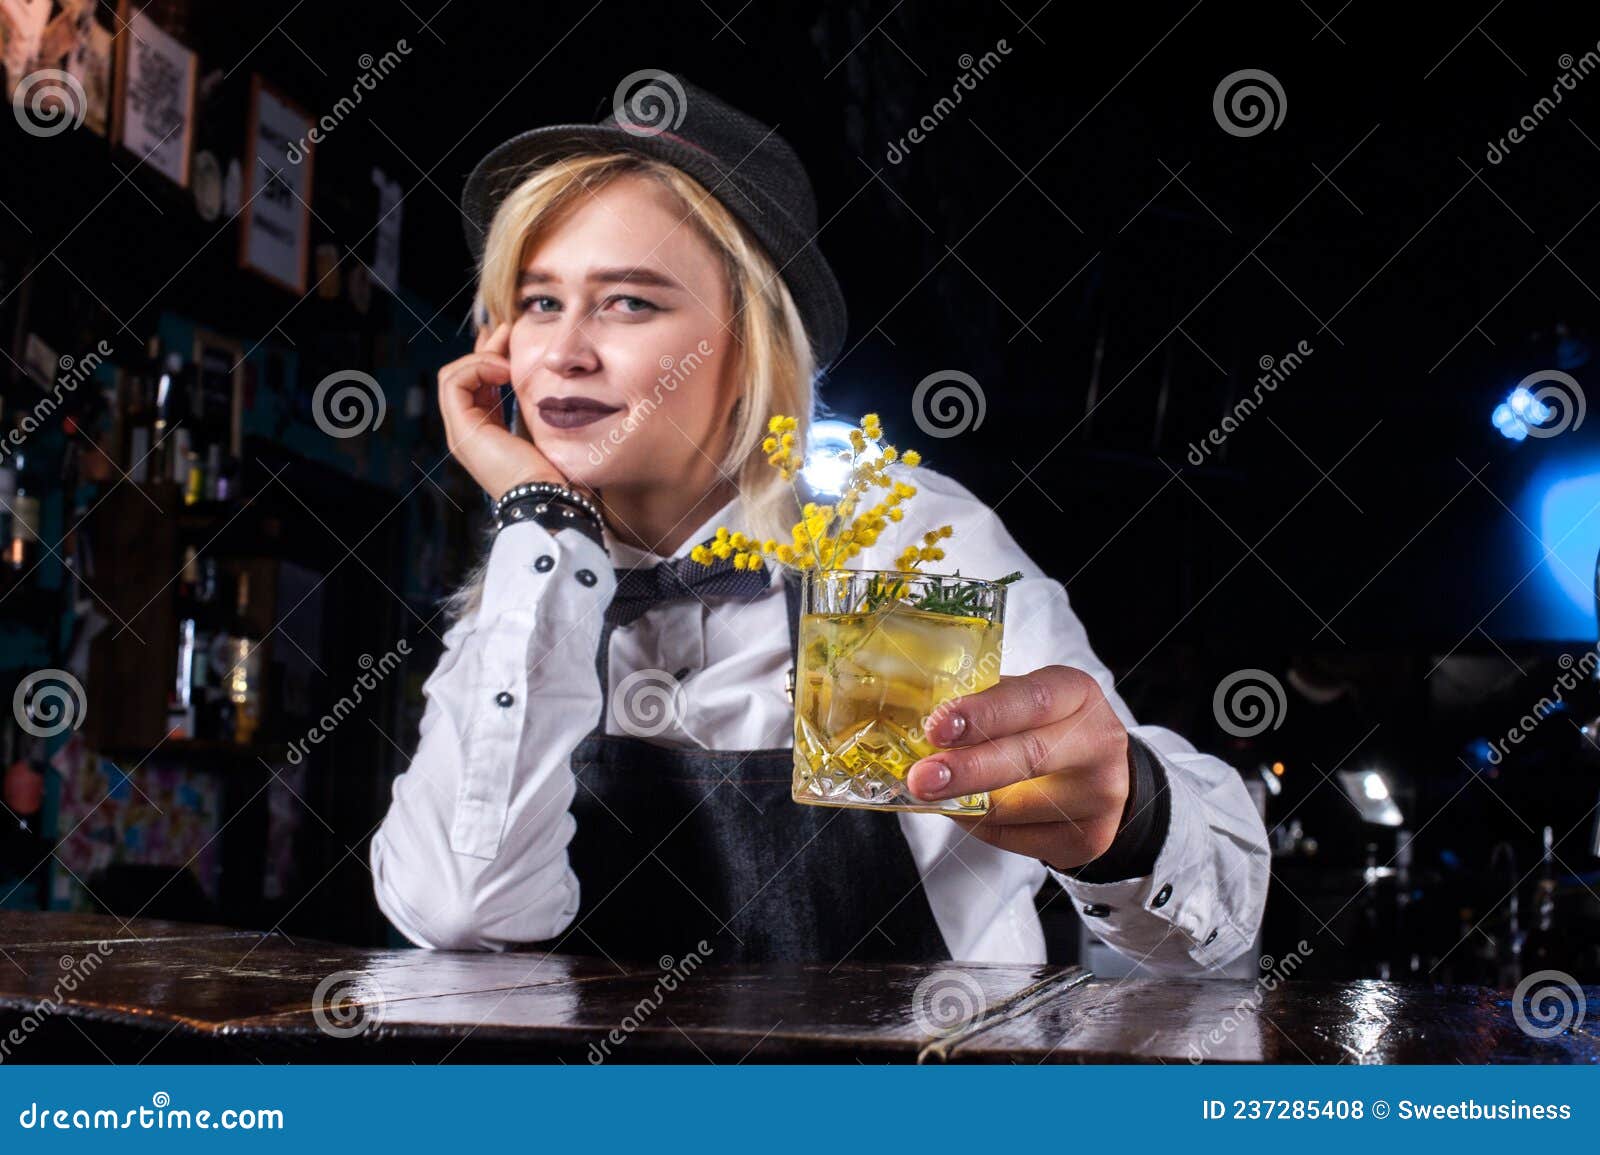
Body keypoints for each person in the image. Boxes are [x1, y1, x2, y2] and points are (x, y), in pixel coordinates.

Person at [370, 71, 1269, 974]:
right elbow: (461, 909)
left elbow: (1212, 920)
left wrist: (1126, 815)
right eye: (538, 302)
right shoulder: (528, 584)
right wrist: (546, 526)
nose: (563, 351)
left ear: (753, 342)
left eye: (629, 301)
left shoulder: (900, 540)